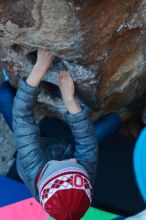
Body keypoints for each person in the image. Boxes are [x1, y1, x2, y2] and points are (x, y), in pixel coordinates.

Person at [0, 49, 121, 220]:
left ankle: (7, 76)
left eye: (65, 166)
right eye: (79, 169)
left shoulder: (31, 162)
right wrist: (70, 100)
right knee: (114, 121)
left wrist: (40, 67)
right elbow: (86, 143)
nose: (74, 161)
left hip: (34, 146)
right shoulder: (80, 186)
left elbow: (22, 115)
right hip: (62, 146)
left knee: (4, 94)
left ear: (46, 174)